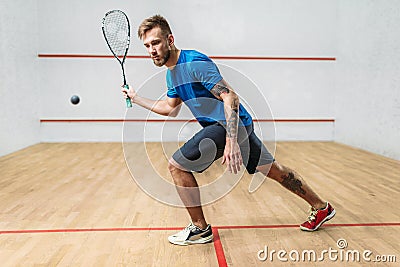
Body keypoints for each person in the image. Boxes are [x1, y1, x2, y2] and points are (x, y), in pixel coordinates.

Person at [122, 15, 336, 246]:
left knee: (177, 166)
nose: (152, 50)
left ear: (170, 39)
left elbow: (230, 96)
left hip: (228, 125)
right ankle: (321, 207)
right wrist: (136, 98)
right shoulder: (171, 74)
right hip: (239, 124)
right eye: (147, 46)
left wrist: (231, 140)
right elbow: (170, 108)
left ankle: (200, 229)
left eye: (156, 43)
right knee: (273, 170)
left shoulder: (194, 62)